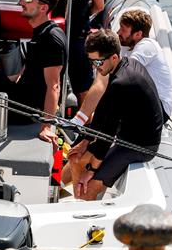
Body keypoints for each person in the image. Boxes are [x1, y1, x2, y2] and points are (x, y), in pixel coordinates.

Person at [62, 29, 162, 201]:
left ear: (114, 57)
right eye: (91, 61)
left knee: (89, 187)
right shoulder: (121, 67)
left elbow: (107, 133)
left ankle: (83, 205)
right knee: (74, 156)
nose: (95, 67)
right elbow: (102, 111)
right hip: (124, 136)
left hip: (139, 146)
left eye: (99, 61)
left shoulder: (123, 82)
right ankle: (58, 192)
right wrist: (85, 140)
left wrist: (91, 171)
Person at [0, 0, 65, 144]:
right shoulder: (41, 32)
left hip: (21, 109)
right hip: (16, 94)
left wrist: (47, 127)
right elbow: (29, 67)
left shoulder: (51, 38)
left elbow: (54, 85)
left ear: (43, 8)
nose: (20, 2)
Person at [73, 9, 172, 126]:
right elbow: (103, 78)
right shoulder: (126, 45)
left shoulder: (147, 46)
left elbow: (124, 74)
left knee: (111, 86)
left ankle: (87, 124)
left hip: (159, 109)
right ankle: (82, 119)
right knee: (104, 76)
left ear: (138, 34)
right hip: (141, 100)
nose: (118, 32)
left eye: (123, 30)